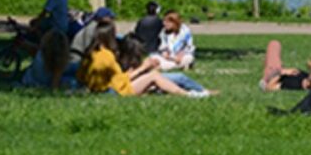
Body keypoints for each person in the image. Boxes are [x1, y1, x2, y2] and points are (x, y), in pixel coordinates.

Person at [77, 22, 211, 97]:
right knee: (153, 76)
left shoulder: (91, 53)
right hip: (113, 92)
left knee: (155, 79)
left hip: (101, 91)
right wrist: (143, 68)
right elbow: (119, 83)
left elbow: (82, 76)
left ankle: (194, 92)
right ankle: (187, 94)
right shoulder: (106, 56)